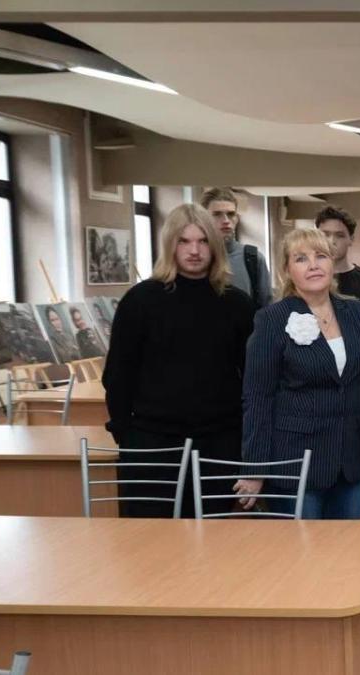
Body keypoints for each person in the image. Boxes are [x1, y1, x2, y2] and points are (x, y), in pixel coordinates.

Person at [102, 204, 255, 517]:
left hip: (218, 444)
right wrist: (126, 433)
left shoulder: (238, 304)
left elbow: (253, 379)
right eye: (184, 241)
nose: (194, 251)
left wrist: (241, 439)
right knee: (148, 539)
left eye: (202, 241)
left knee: (213, 538)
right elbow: (118, 374)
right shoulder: (140, 301)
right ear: (170, 245)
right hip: (151, 444)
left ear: (215, 245)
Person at [234, 228, 360, 519]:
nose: (313, 265)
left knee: (353, 546)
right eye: (301, 258)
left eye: (320, 256)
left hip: (349, 461)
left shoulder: (356, 311)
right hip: (295, 463)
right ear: (287, 270)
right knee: (303, 548)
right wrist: (255, 468)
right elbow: (258, 397)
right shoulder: (272, 319)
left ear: (332, 263)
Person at [315, 205, 360, 332]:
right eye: (325, 234)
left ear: (351, 239)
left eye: (340, 235)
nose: (331, 241)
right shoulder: (308, 278)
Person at [201, 187, 272, 308]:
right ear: (203, 219)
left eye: (231, 214)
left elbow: (267, 308)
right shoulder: (196, 257)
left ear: (237, 218)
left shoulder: (253, 258)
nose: (226, 220)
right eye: (217, 214)